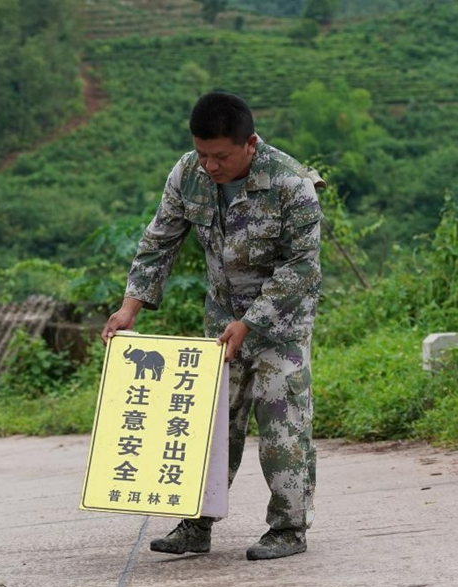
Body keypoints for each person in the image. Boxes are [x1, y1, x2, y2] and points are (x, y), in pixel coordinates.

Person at [101, 91, 322, 561]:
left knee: (282, 425)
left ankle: (288, 529)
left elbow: (302, 269)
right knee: (207, 424)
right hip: (221, 319)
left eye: (220, 156)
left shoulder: (291, 185)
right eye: (202, 154)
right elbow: (159, 241)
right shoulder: (188, 175)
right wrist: (129, 308)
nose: (210, 166)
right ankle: (196, 525)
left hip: (280, 324)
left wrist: (251, 321)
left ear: (250, 144)